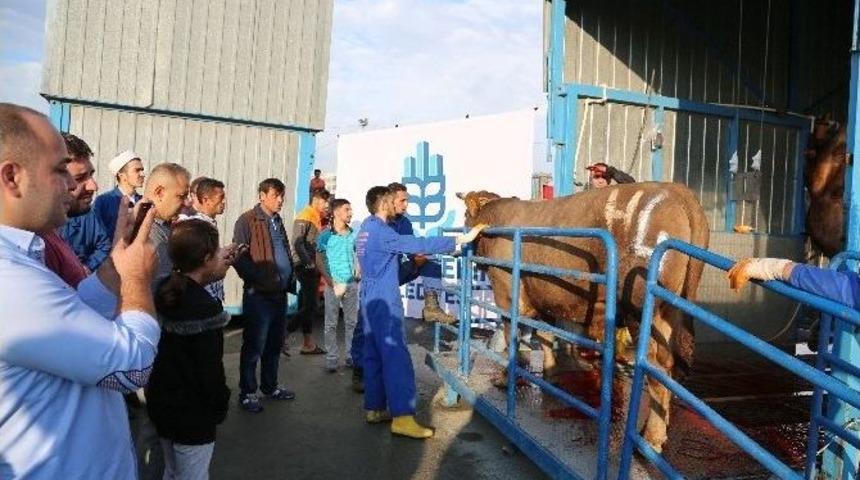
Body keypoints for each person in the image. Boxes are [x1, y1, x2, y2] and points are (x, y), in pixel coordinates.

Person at [0, 102, 160, 478]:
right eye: (60, 170)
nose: (72, 186)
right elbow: (131, 369)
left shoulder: (23, 255)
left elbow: (72, 315)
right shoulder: (7, 277)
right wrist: (136, 279)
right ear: (11, 178)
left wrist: (114, 268)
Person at [356, 185, 485, 439]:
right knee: (396, 357)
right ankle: (403, 418)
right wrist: (460, 239)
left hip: (369, 298)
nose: (399, 206)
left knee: (373, 353)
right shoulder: (383, 232)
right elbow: (417, 243)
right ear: (384, 204)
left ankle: (374, 408)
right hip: (385, 297)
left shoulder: (365, 230)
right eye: (395, 202)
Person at [147, 219, 232, 480]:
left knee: (171, 472)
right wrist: (221, 403)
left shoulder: (162, 291)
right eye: (217, 253)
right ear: (206, 259)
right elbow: (210, 371)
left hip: (162, 407)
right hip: (194, 417)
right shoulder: (206, 307)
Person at [232, 178, 297, 413]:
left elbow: (284, 252)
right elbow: (239, 256)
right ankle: (248, 392)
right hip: (259, 295)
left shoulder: (277, 220)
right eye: (276, 195)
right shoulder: (247, 220)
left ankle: (270, 387)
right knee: (254, 345)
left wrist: (288, 277)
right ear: (262, 195)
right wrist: (259, 278)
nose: (280, 200)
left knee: (273, 344)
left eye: (282, 195)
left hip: (279, 294)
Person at [387, 182, 457, 323]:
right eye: (402, 200)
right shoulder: (377, 223)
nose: (406, 205)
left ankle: (432, 308)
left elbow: (412, 246)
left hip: (397, 271)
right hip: (380, 278)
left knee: (429, 257)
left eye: (407, 200)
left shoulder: (405, 222)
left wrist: (417, 257)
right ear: (389, 201)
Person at [57, 133, 112, 272]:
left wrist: (85, 269)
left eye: (91, 175)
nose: (93, 186)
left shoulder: (86, 213)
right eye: (80, 178)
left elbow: (104, 245)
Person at [317, 198, 360, 372]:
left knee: (352, 322)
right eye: (346, 209)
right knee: (331, 323)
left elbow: (358, 255)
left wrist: (358, 270)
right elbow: (319, 258)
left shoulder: (353, 234)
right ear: (336, 212)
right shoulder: (325, 235)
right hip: (333, 285)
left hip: (350, 285)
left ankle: (350, 355)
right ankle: (332, 358)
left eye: (350, 209)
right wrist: (328, 279)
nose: (350, 213)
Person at [287, 187, 331, 355]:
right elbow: (297, 243)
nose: (327, 205)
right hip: (305, 266)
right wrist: (308, 263)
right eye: (325, 201)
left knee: (309, 305)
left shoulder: (315, 217)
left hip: (312, 265)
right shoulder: (305, 215)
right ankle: (284, 335)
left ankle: (308, 344)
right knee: (311, 305)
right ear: (316, 200)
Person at [176, 177, 228, 301]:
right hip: (202, 295)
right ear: (206, 200)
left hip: (213, 295)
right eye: (220, 198)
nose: (224, 202)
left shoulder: (209, 223)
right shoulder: (195, 226)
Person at [93, 149, 146, 243]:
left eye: (142, 170)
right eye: (137, 170)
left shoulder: (144, 202)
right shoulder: (104, 202)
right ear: (122, 175)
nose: (142, 174)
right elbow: (95, 235)